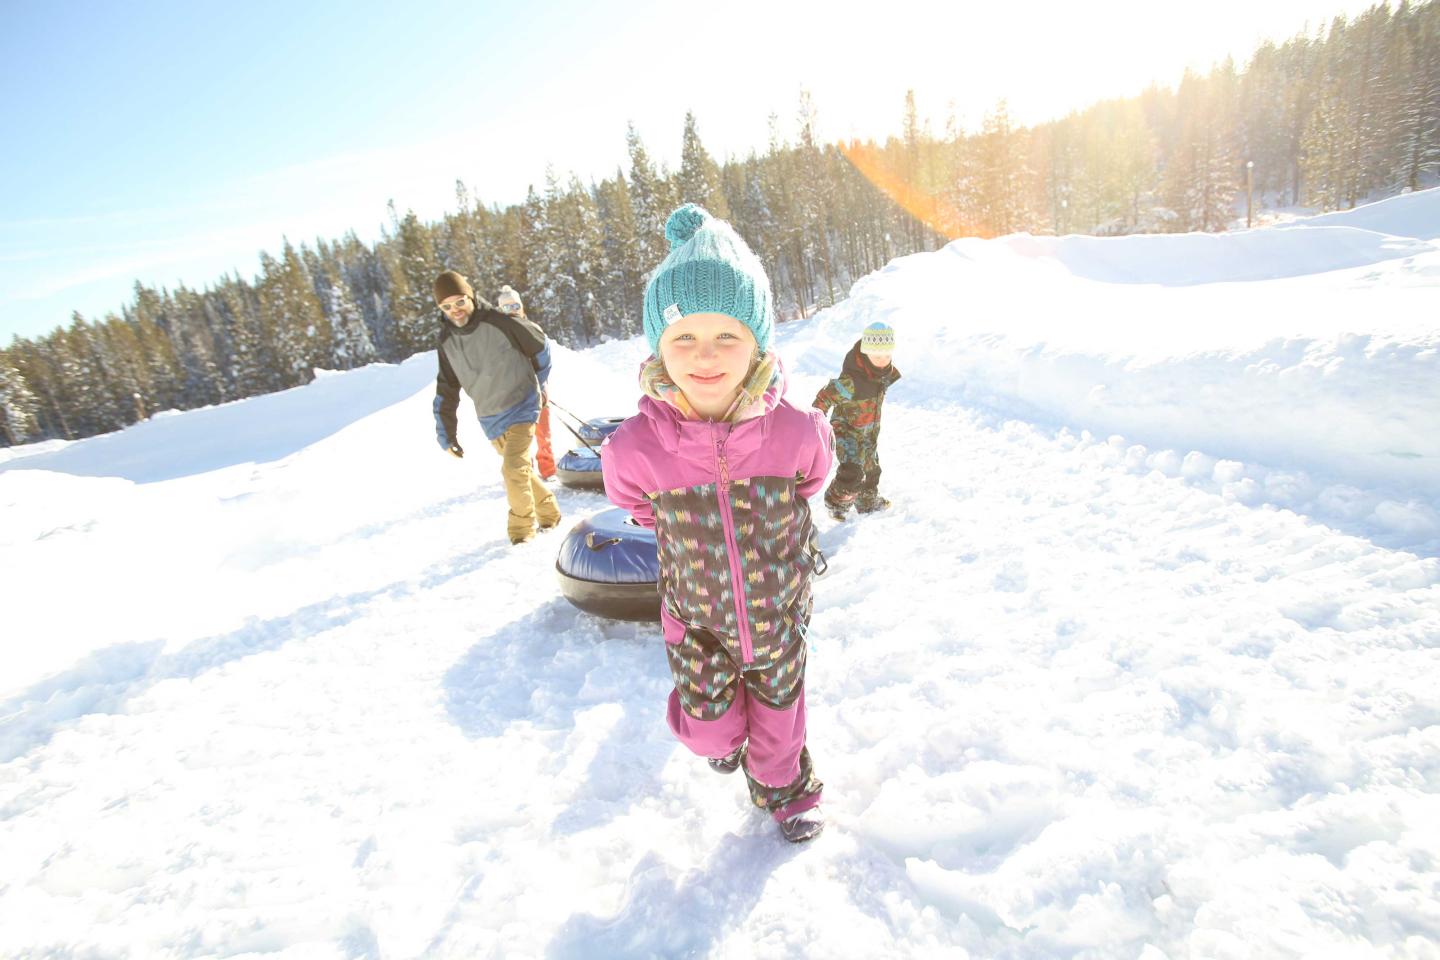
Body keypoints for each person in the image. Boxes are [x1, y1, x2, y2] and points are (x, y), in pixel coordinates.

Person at [601, 204, 834, 843]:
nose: (706, 357)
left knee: (781, 720)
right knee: (708, 729)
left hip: (778, 614)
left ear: (758, 340)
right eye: (684, 338)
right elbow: (635, 500)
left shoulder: (796, 429)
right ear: (659, 349)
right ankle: (724, 738)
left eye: (727, 336)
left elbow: (811, 480)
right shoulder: (636, 447)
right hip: (698, 625)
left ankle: (786, 791)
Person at [432, 270, 561, 544]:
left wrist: (540, 383)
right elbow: (446, 390)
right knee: (519, 470)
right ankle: (549, 511)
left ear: (471, 296)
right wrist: (447, 434)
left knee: (513, 469)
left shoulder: (500, 322)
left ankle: (521, 532)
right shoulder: (446, 342)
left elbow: (540, 346)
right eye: (446, 307)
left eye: (459, 302)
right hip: (490, 417)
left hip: (523, 404)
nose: (455, 310)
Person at [812, 322, 900, 521]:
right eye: (877, 356)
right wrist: (816, 419)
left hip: (869, 432)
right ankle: (836, 503)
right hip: (847, 431)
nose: (882, 361)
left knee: (872, 470)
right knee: (853, 471)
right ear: (866, 354)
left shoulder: (882, 374)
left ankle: (867, 502)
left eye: (887, 355)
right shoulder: (852, 381)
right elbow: (825, 396)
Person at [496, 285, 557, 481]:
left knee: (543, 434)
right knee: (520, 437)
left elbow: (544, 362)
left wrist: (540, 385)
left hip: (537, 392)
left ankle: (548, 470)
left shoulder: (533, 330)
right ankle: (526, 472)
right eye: (506, 308)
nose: (512, 310)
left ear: (521, 307)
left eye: (515, 305)